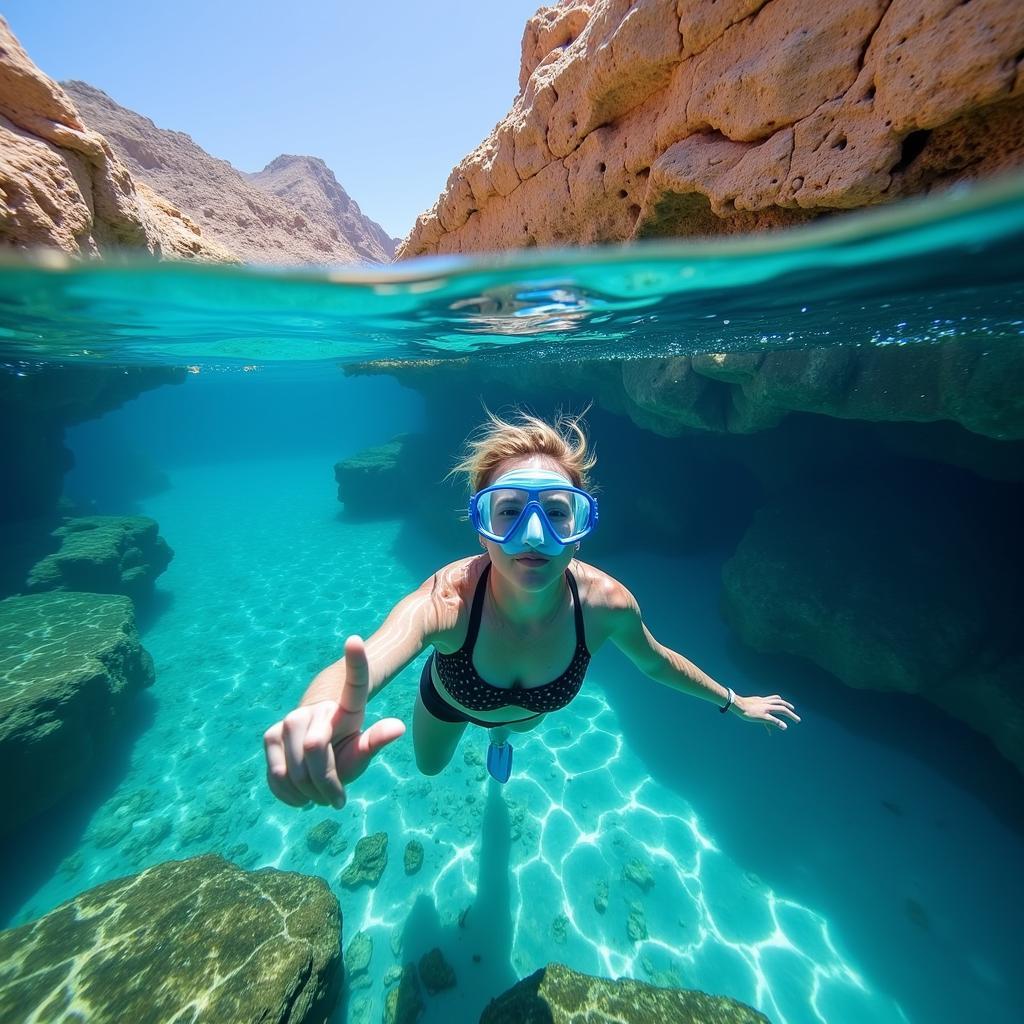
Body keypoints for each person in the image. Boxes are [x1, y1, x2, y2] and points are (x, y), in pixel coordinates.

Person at [263, 408, 800, 806]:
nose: (534, 535)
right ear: (482, 531)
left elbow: (657, 661)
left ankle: (499, 734)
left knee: (512, 728)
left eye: (559, 514)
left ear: (580, 531)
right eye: (510, 512)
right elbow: (373, 655)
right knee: (428, 768)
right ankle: (489, 729)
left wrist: (735, 700)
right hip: (450, 702)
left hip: (529, 713)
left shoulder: (606, 605)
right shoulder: (448, 601)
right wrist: (316, 715)